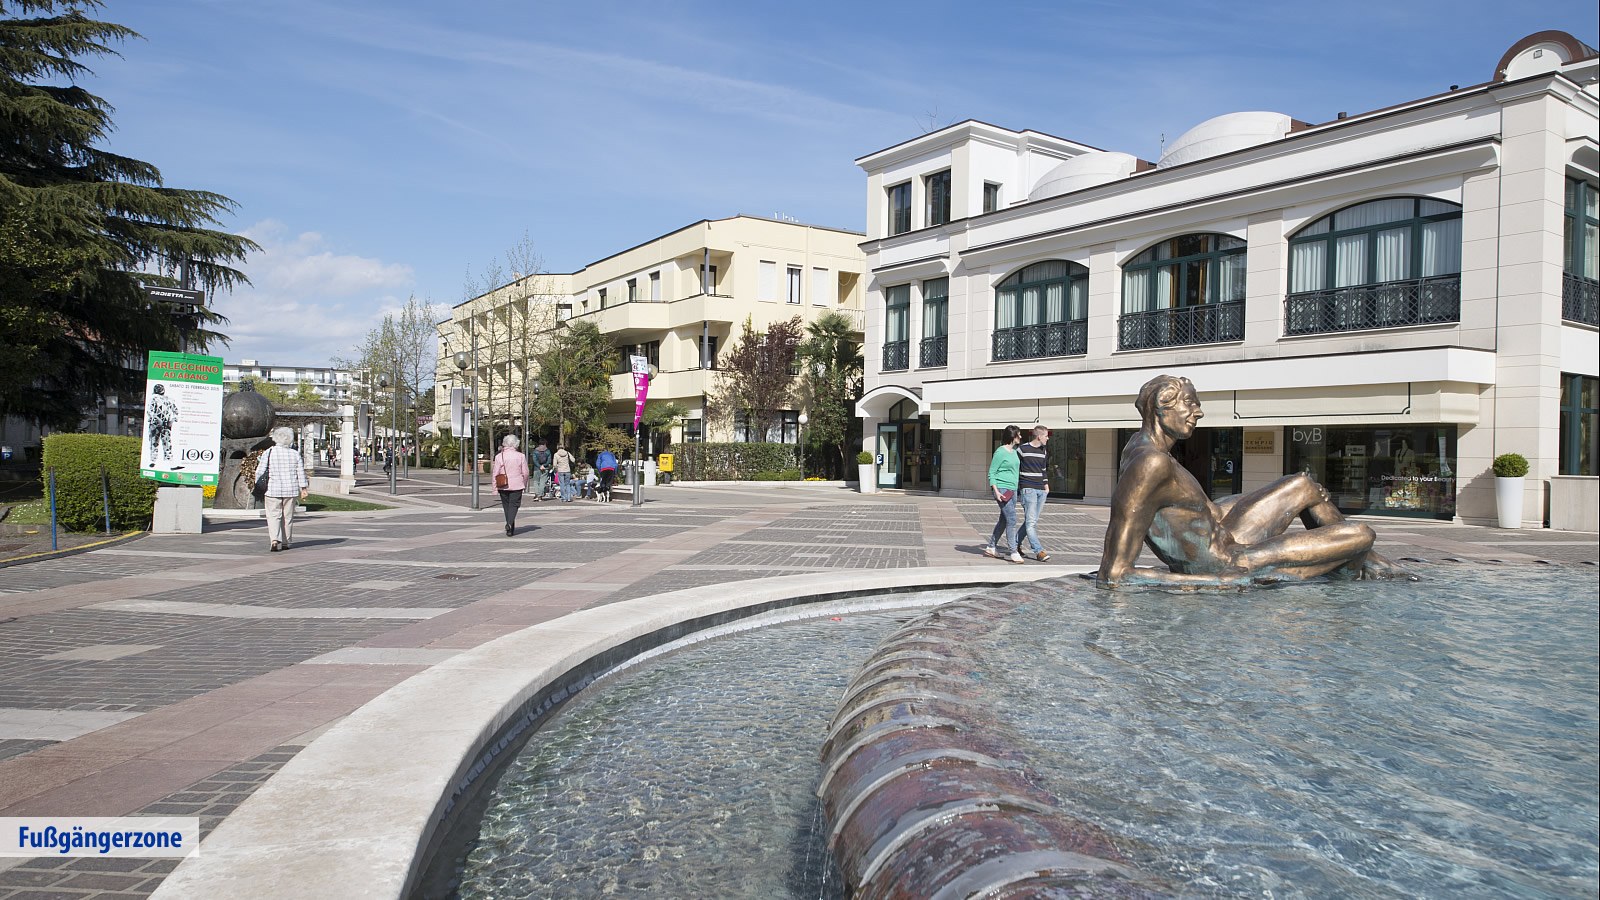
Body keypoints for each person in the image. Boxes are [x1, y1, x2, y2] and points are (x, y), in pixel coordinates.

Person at [1097, 374, 1410, 586]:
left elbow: (1208, 513)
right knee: (1360, 533)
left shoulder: (1141, 447)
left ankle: (1368, 563)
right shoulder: (1150, 463)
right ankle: (1360, 566)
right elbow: (1115, 572)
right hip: (1228, 562)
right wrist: (1210, 582)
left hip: (1225, 536)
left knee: (1302, 485)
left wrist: (1265, 499)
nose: (1199, 413)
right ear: (1162, 409)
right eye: (1190, 405)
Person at [260, 426, 309, 552]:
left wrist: (257, 485)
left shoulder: (269, 452)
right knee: (288, 516)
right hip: (290, 489)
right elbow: (300, 472)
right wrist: (303, 488)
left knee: (273, 515)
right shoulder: (294, 454)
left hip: (272, 489)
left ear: (275, 438)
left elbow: (260, 471)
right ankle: (287, 541)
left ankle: (275, 540)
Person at [982, 425, 1026, 564]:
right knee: (1012, 519)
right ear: (1013, 436)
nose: (1021, 437)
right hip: (1001, 490)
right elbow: (992, 473)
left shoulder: (1014, 452)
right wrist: (996, 491)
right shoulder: (1000, 452)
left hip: (1012, 490)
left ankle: (991, 547)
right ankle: (1013, 551)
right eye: (1019, 435)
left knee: (1004, 520)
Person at [1014, 425, 1051, 561]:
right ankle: (1038, 551)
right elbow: (1015, 468)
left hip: (1041, 489)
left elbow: (1043, 469)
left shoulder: (1044, 451)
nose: (1047, 438)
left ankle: (1015, 543)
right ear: (1039, 436)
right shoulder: (1022, 449)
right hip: (1028, 489)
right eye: (1046, 436)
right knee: (1031, 523)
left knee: (1031, 521)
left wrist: (1046, 486)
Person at [491, 434, 531, 536]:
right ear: (516, 444)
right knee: (514, 505)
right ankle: (509, 524)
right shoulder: (521, 456)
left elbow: (495, 473)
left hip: (502, 484)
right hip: (517, 484)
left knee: (506, 506)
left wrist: (495, 488)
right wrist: (524, 483)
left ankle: (510, 528)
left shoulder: (499, 456)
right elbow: (526, 472)